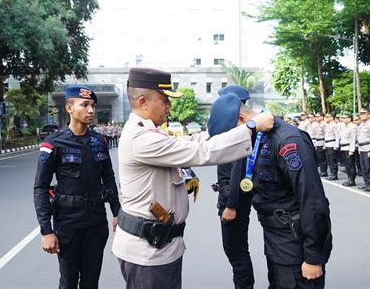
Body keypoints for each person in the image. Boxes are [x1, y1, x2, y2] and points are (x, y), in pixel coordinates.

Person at [111, 68, 274, 289]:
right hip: (148, 252)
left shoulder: (151, 132)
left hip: (161, 244)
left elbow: (192, 141)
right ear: (143, 101)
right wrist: (251, 126)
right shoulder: (140, 138)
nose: (169, 106)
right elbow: (201, 152)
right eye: (164, 100)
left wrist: (220, 127)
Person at [209, 99, 332, 289]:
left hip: (295, 241)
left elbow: (312, 200)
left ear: (242, 120)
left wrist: (313, 256)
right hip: (275, 238)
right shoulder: (256, 138)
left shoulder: (287, 140)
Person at [33, 85, 121, 289]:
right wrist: (46, 231)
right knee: (68, 282)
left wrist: (117, 212)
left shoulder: (99, 141)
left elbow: (108, 177)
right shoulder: (54, 143)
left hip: (96, 222)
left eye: (93, 106)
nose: (91, 110)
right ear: (70, 108)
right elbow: (40, 188)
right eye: (85, 105)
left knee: (91, 282)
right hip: (68, 224)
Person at [213, 85, 255, 289]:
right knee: (236, 251)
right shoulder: (236, 130)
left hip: (234, 202)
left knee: (236, 252)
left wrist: (230, 205)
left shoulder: (238, 132)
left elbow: (237, 170)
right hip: (233, 198)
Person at [357, 109, 370, 191]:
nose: (361, 115)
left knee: (369, 167)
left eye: (363, 113)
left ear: (368, 114)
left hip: (367, 147)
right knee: (363, 167)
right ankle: (366, 183)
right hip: (362, 148)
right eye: (360, 114)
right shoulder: (362, 124)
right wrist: (359, 148)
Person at [339, 114, 357, 187]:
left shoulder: (353, 126)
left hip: (349, 147)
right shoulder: (343, 126)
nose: (343, 119)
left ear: (349, 119)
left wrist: (351, 150)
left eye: (344, 118)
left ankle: (352, 180)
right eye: (342, 118)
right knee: (346, 165)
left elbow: (353, 139)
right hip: (343, 147)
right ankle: (349, 178)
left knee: (350, 164)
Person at [324, 113, 339, 180]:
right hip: (327, 144)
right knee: (329, 160)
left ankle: (334, 174)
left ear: (331, 118)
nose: (326, 118)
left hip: (332, 144)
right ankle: (331, 173)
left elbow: (337, 135)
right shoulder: (327, 125)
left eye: (328, 117)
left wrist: (336, 144)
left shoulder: (334, 125)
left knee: (333, 160)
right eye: (326, 117)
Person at [314, 113, 328, 177]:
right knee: (320, 157)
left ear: (322, 117)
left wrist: (325, 144)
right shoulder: (317, 124)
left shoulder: (324, 124)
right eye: (316, 117)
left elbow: (326, 135)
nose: (316, 118)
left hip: (322, 142)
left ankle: (324, 171)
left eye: (318, 116)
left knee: (323, 158)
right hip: (318, 142)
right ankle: (322, 170)